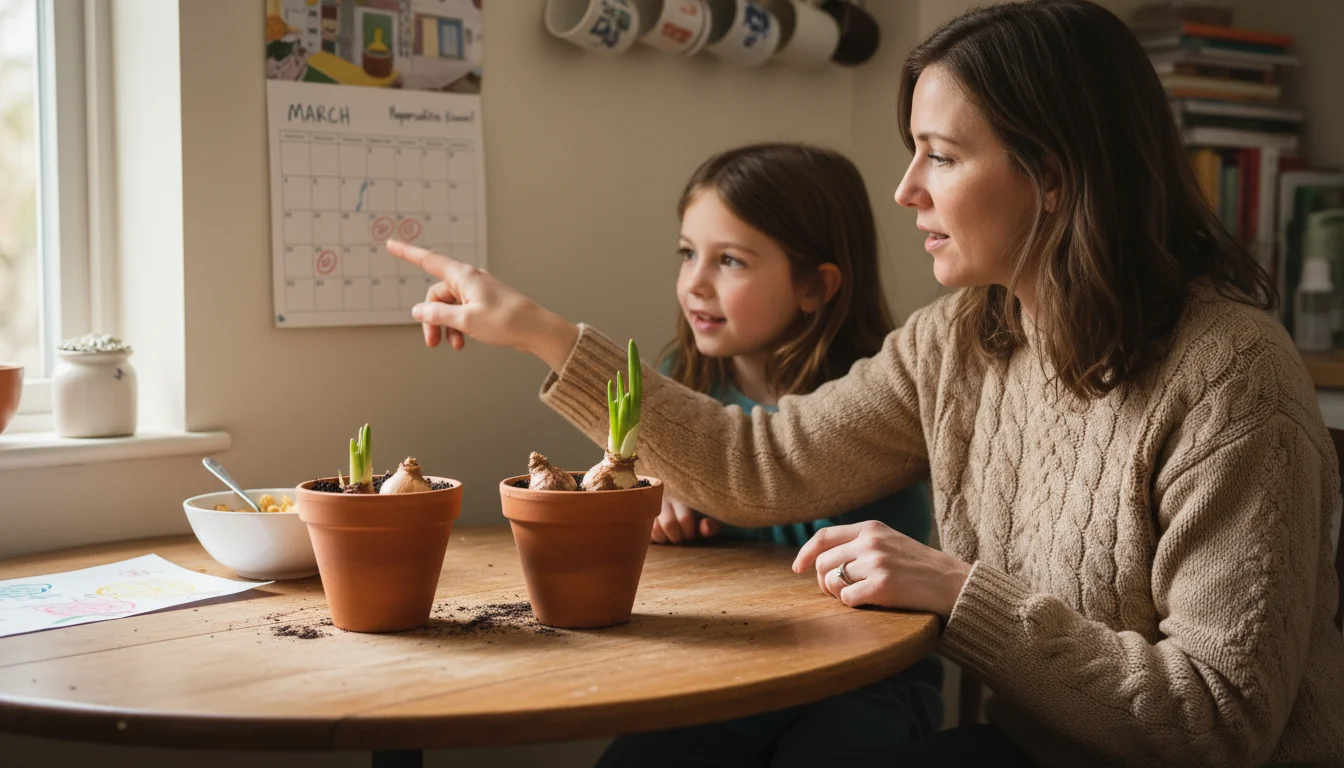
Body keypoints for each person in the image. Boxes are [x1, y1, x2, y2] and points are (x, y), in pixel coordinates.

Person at [386, 1, 1344, 764]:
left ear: (1053, 176)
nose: (906, 190)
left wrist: (958, 592)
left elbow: (1219, 722)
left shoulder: (1233, 379)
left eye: (943, 153)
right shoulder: (962, 341)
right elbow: (753, 464)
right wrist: (538, 333)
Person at [604, 143, 941, 766]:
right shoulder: (682, 386)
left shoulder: (874, 404)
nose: (695, 283)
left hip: (865, 677)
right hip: (734, 662)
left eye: (729, 260)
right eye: (687, 254)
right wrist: (660, 506)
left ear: (815, 286)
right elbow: (638, 505)